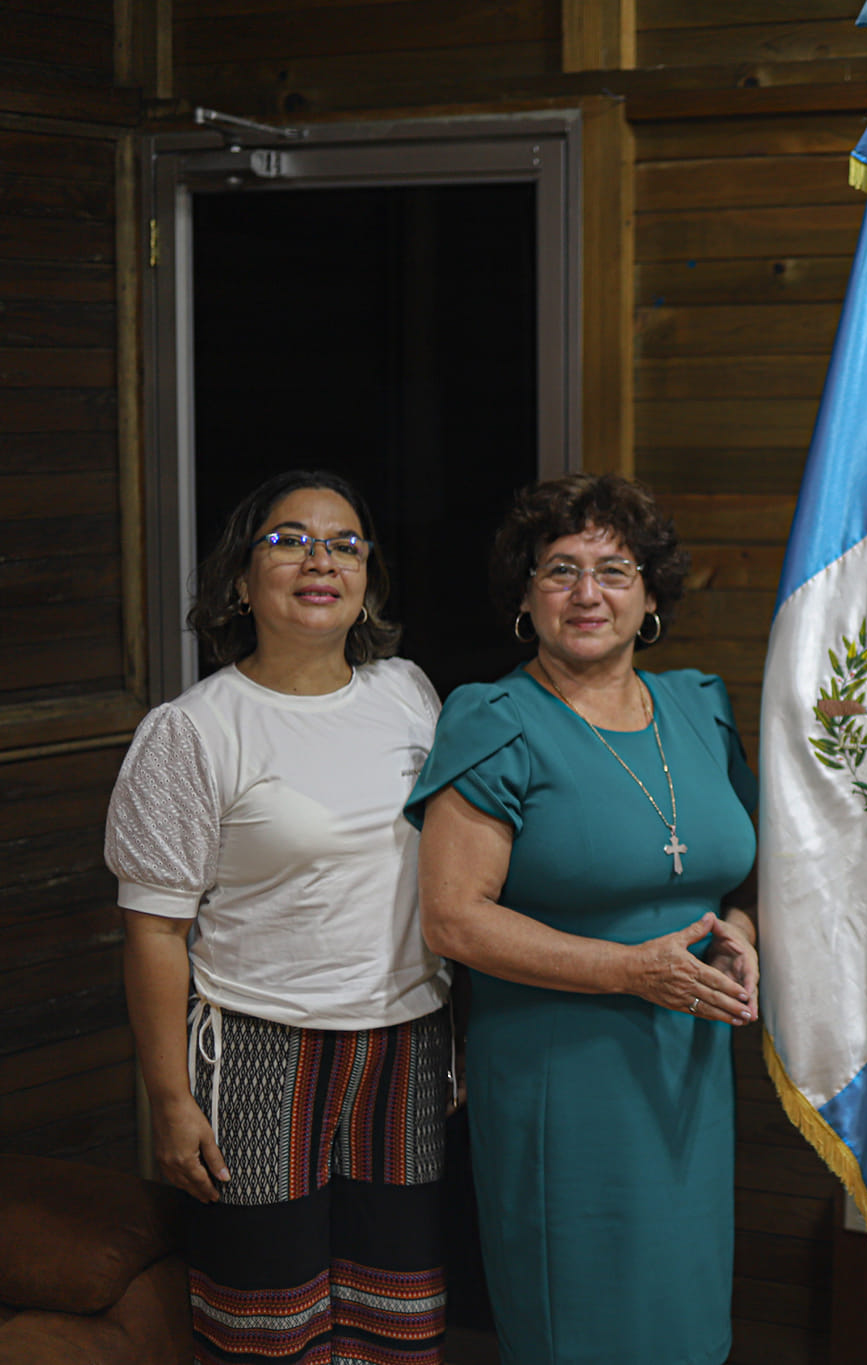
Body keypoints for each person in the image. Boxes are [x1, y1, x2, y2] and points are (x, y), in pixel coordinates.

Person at [406, 472, 757, 1365]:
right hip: (560, 1075)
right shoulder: (494, 720)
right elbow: (453, 920)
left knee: (683, 1324)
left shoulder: (701, 706)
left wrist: (742, 935)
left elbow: (743, 872)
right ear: (525, 598)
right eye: (560, 570)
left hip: (688, 1071)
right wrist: (629, 969)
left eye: (614, 570)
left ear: (651, 596)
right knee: (585, 1326)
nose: (588, 593)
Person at [107, 470, 450, 1364]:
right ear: (239, 580)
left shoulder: (409, 694)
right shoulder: (194, 729)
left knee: (396, 1316)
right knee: (267, 1324)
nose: (319, 560)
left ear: (367, 577)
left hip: (405, 1043)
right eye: (289, 540)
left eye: (344, 543)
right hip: (260, 1047)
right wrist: (169, 1099)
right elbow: (154, 931)